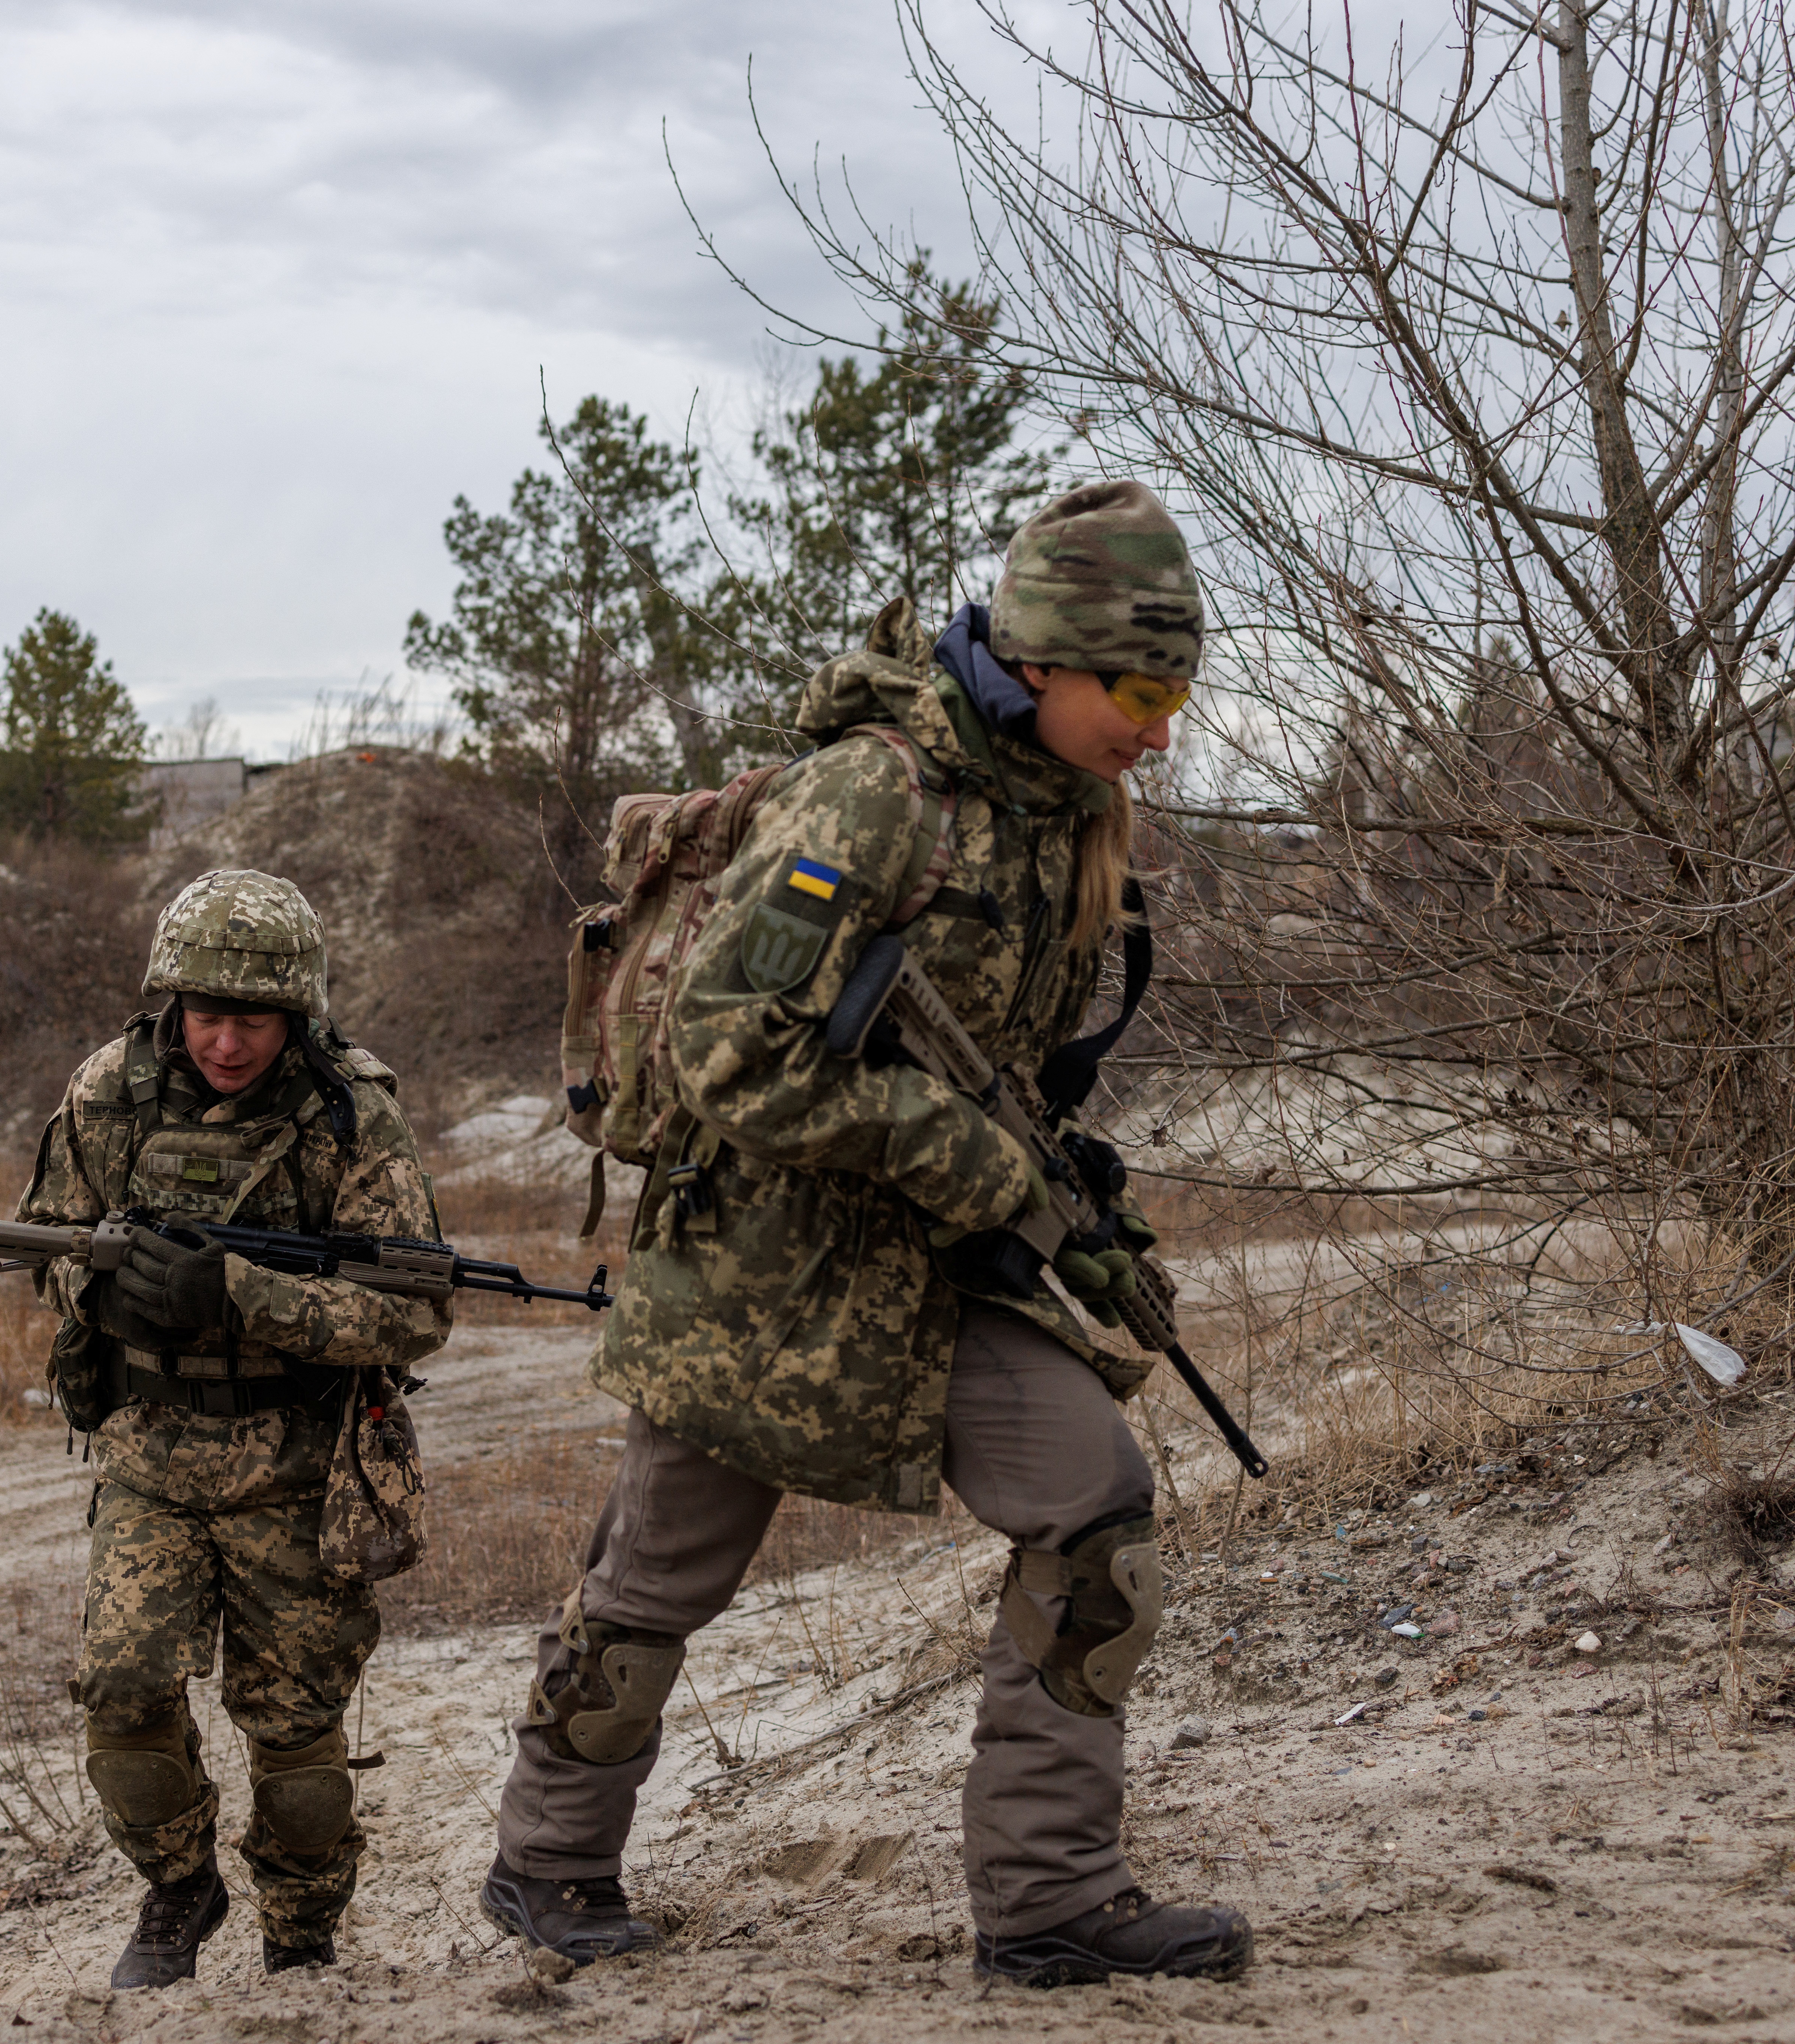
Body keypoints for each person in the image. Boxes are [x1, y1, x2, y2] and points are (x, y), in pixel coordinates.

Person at [481, 480, 1253, 1988]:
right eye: (1140, 693)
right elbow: (725, 1050)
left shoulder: (1068, 820)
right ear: (1042, 658)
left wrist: (1077, 1204)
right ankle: (548, 1862)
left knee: (1094, 1508)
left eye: (1178, 696)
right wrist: (966, 1157)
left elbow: (1004, 1070)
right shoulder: (872, 800)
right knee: (651, 1589)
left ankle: (1047, 1897)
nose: (1160, 732)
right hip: (761, 1271)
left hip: (942, 1269)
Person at [19, 868, 449, 1989]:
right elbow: (47, 1244)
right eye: (208, 1015)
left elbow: (414, 1313)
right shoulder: (110, 1093)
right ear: (175, 1001)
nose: (225, 1043)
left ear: (296, 1014)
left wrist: (241, 1297)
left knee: (297, 1734)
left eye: (252, 1021)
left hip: (297, 1467)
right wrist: (108, 1295)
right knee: (123, 1690)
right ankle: (179, 1888)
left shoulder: (352, 1115)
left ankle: (301, 1933)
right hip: (150, 1459)